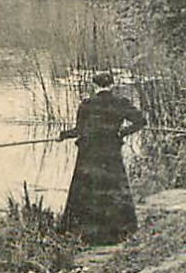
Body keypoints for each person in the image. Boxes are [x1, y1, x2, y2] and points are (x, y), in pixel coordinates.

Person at [58, 72, 147, 245]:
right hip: (111, 153)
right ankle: (119, 231)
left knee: (87, 189)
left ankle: (82, 233)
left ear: (94, 86)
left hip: (89, 153)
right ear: (112, 85)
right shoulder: (121, 103)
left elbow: (79, 130)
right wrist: (122, 132)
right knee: (113, 187)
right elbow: (141, 121)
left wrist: (63, 135)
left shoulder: (86, 104)